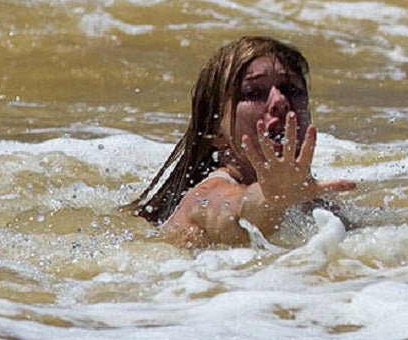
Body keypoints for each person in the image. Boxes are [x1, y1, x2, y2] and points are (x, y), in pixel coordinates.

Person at [126, 36, 356, 248]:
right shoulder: (204, 196)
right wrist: (272, 198)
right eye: (254, 93)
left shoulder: (312, 196)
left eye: (290, 89)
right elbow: (234, 216)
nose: (280, 101)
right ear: (215, 130)